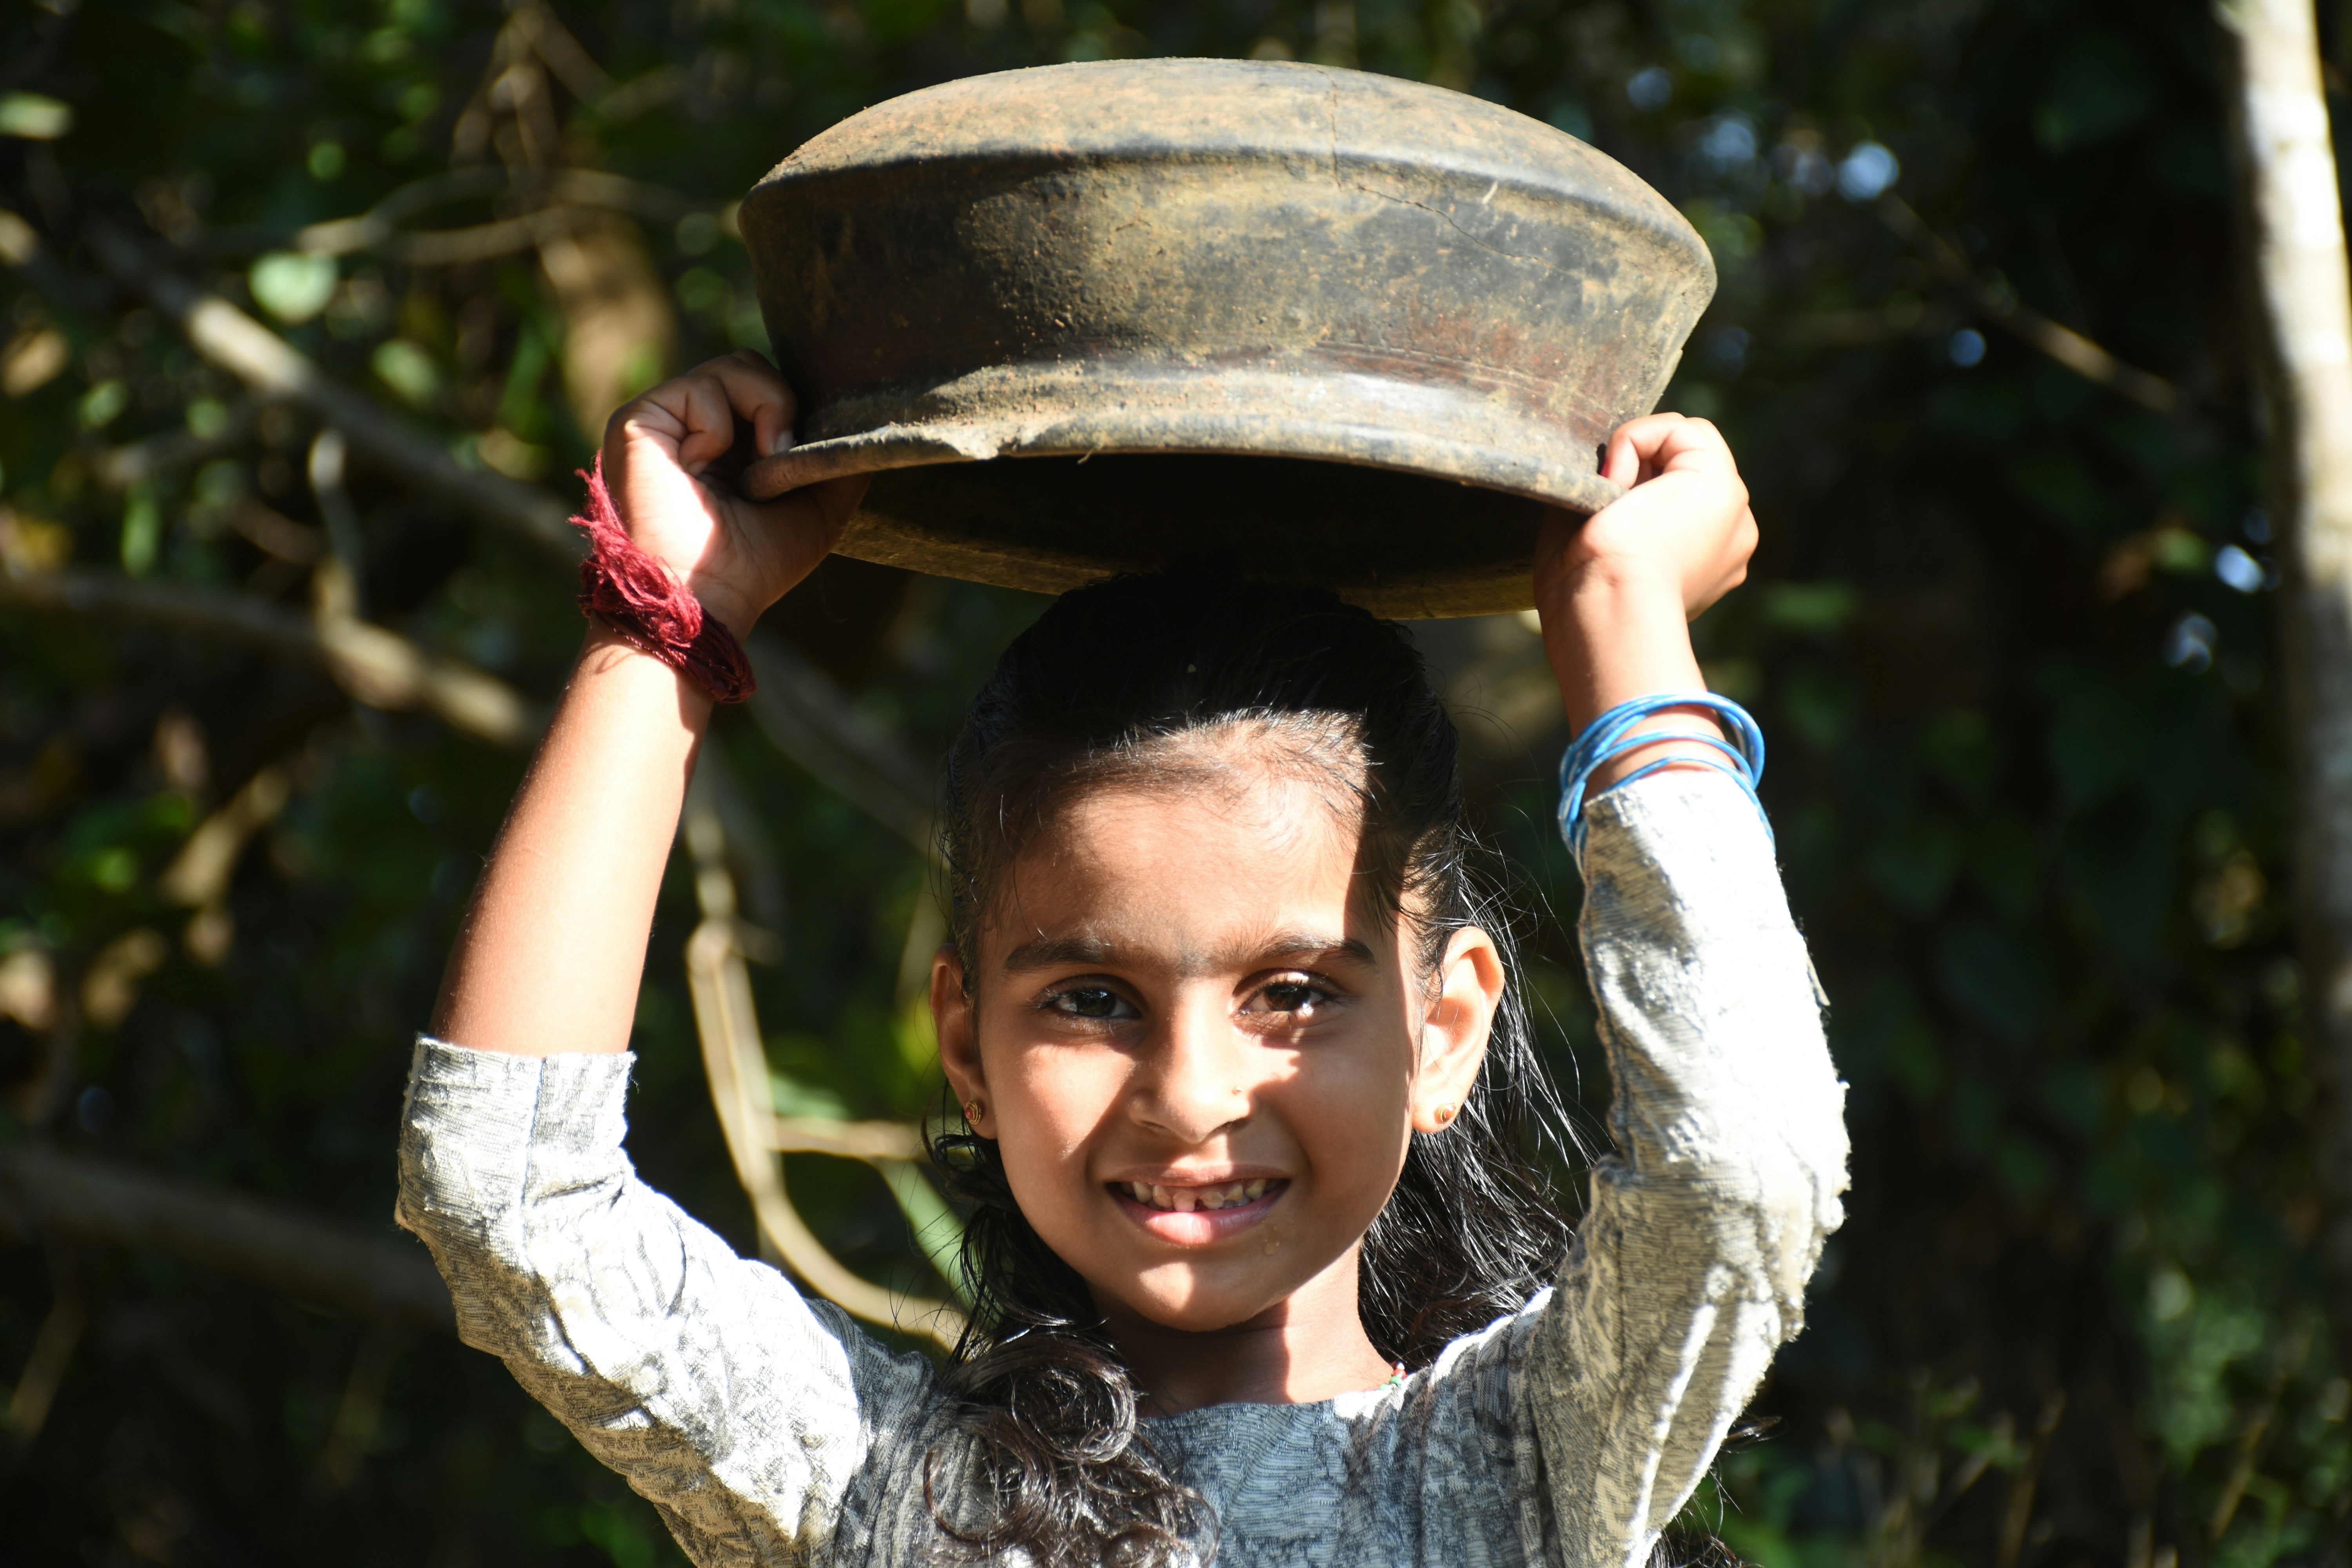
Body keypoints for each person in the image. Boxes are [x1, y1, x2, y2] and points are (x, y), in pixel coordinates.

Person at [396, 349, 1848, 1568]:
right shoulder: (888, 1487)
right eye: (1093, 1001)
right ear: (966, 1049)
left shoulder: (1518, 1471)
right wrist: (667, 614)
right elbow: (512, 1194)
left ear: (1449, 1029)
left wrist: (1621, 620)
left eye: (1294, 995)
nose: (1190, 1094)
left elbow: (1741, 1173)